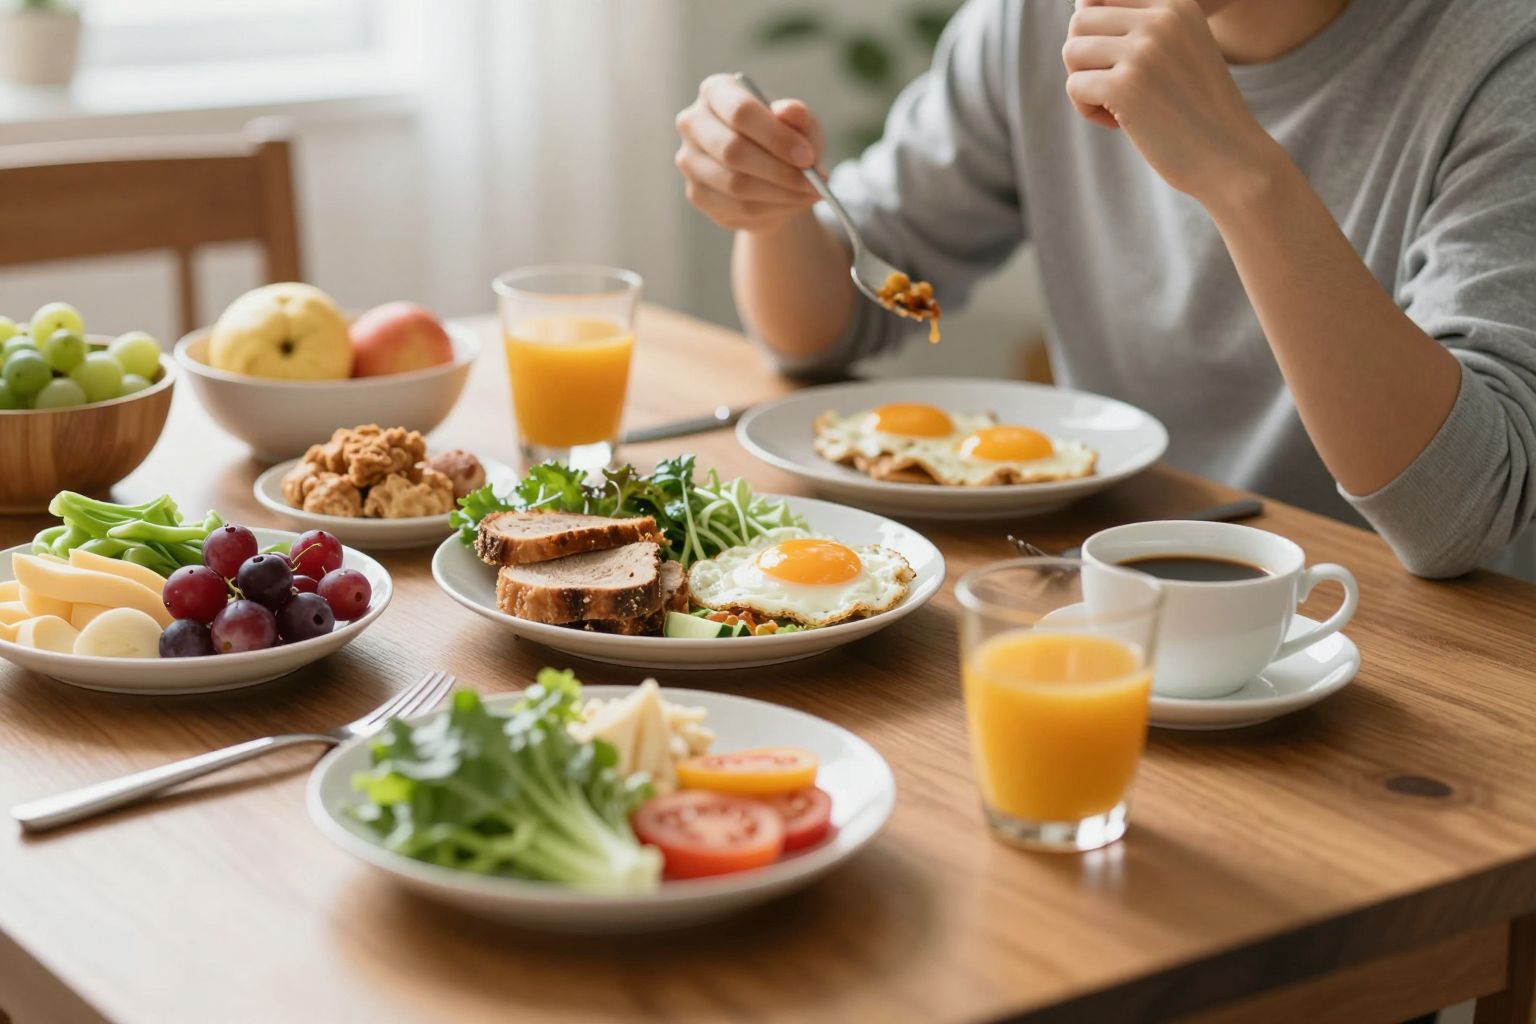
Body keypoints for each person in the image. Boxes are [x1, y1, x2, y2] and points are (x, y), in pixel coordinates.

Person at [672, 0, 1536, 578]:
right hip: (1116, 589)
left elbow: (1461, 513)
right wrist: (773, 207)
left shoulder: (1501, 55)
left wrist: (1242, 177)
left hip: (1403, 643)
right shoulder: (1037, 20)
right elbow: (827, 326)